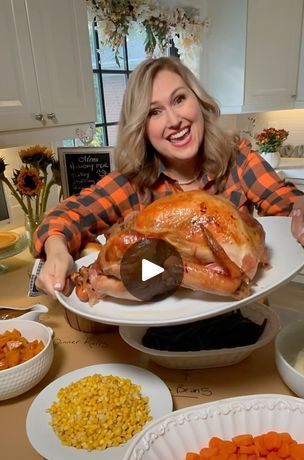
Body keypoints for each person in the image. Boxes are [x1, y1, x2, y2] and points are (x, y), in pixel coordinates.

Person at [34, 56, 304, 297]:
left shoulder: (238, 162)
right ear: (141, 127)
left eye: (179, 99)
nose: (174, 120)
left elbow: (288, 204)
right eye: (154, 112)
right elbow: (68, 214)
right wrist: (57, 250)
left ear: (198, 101)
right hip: (160, 336)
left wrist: (299, 208)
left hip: (246, 315)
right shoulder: (132, 184)